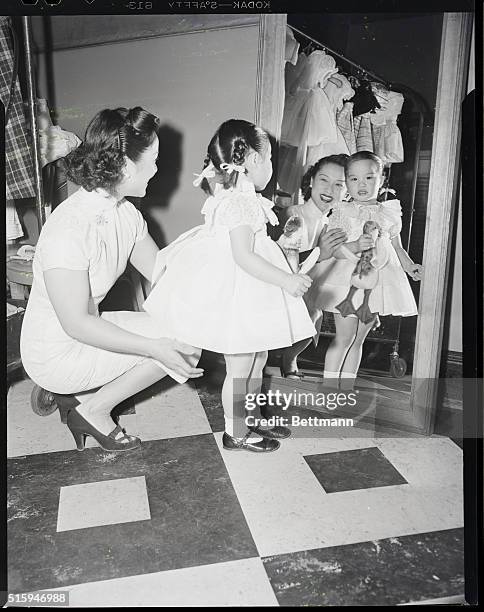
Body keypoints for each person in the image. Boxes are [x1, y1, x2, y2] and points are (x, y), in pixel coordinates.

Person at [20, 107, 204, 452]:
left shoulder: (125, 214)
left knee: (188, 332)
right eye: (152, 159)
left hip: (89, 329)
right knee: (174, 344)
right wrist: (153, 347)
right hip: (55, 352)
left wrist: (208, 283)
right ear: (123, 165)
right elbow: (77, 324)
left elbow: (161, 273)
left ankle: (88, 395)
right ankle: (92, 409)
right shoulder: (69, 230)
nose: (157, 168)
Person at [143, 119, 316, 452]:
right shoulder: (240, 201)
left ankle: (250, 417)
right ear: (251, 161)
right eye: (267, 160)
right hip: (239, 290)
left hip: (251, 288)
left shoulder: (239, 195)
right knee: (241, 366)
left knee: (257, 356)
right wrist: (286, 280)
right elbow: (244, 257)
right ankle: (235, 431)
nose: (269, 167)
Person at [312, 150, 423, 386]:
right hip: (347, 281)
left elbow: (397, 247)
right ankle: (330, 389)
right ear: (347, 182)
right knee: (344, 337)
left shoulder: (389, 212)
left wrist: (410, 266)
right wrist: (354, 245)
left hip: (377, 283)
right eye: (353, 179)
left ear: (381, 179)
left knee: (358, 340)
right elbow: (334, 249)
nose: (361, 184)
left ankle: (347, 388)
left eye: (369, 178)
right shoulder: (342, 210)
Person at [279, 154, 349, 378]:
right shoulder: (293, 215)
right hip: (283, 286)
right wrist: (320, 252)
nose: (330, 189)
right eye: (324, 180)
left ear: (347, 193)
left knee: (316, 313)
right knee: (311, 313)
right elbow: (283, 262)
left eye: (339, 184)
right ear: (311, 181)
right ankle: (285, 357)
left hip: (311, 290)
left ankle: (290, 356)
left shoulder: (333, 223)